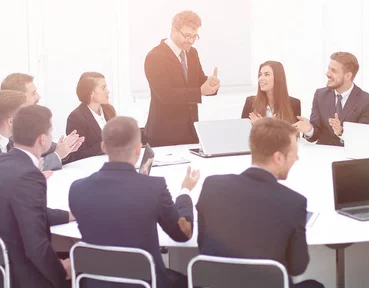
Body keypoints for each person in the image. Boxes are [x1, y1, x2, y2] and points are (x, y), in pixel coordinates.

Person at [69, 116, 197, 288]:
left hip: (95, 282)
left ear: (103, 147)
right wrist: (185, 191)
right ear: (138, 149)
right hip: (146, 282)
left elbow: (112, 215)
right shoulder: (153, 188)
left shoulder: (77, 189)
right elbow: (183, 234)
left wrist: (140, 183)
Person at [196, 118, 323, 288]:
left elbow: (202, 244)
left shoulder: (212, 186)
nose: (297, 158)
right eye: (294, 152)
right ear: (278, 157)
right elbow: (297, 267)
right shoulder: (293, 202)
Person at [0, 105, 73, 288]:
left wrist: (70, 215)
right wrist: (60, 271)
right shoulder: (29, 174)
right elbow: (35, 246)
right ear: (42, 139)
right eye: (50, 131)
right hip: (21, 276)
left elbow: (28, 212)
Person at [144, 10, 220, 147]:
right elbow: (165, 94)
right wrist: (200, 91)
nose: (191, 41)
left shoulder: (192, 53)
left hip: (190, 130)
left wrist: (211, 84)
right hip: (164, 133)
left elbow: (199, 81)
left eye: (195, 36)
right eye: (187, 35)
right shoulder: (155, 56)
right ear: (173, 30)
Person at [0, 73, 84, 168]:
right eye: (33, 93)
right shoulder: (3, 131)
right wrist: (58, 155)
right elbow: (21, 168)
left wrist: (65, 147)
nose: (38, 97)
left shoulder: (28, 121)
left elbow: (47, 150)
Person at [293, 52, 369, 146]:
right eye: (328, 68)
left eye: (333, 70)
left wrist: (341, 132)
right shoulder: (320, 95)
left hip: (350, 158)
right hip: (323, 155)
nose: (327, 74)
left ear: (348, 76)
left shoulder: (367, 101)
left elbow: (363, 138)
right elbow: (315, 135)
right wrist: (309, 130)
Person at [0, 90, 81, 173]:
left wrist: (62, 149)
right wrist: (58, 154)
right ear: (11, 121)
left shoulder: (10, 140)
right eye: (24, 115)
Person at [64, 72, 117, 163]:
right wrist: (103, 146)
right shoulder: (76, 118)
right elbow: (76, 155)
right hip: (91, 167)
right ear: (91, 93)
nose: (108, 91)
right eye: (103, 87)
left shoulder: (109, 109)